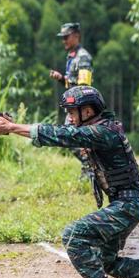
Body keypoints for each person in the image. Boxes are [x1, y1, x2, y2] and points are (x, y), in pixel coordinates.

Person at [0, 85, 139, 278]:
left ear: (87, 112)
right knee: (106, 262)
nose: (69, 118)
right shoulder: (98, 130)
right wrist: (15, 127)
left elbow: (62, 135)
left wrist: (12, 127)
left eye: (72, 112)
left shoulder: (103, 132)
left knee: (73, 234)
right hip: (125, 205)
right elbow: (62, 135)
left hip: (126, 206)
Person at [50, 22, 94, 177]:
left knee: (69, 138)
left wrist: (79, 112)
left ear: (76, 36)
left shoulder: (83, 57)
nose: (64, 41)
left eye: (66, 37)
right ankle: (90, 167)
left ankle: (91, 167)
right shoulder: (72, 56)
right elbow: (72, 82)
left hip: (80, 108)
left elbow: (84, 86)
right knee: (74, 139)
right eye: (62, 38)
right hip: (74, 108)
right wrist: (62, 78)